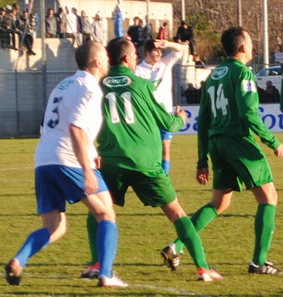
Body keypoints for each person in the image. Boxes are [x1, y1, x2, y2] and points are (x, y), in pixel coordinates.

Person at [90, 36, 222, 283]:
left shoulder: (97, 85)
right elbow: (167, 122)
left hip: (110, 160)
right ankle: (203, 269)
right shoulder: (141, 84)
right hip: (145, 162)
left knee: (98, 211)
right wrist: (181, 118)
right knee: (177, 214)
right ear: (128, 58)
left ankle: (95, 263)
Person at [4, 41, 125, 289]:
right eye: (105, 56)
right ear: (96, 61)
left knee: (55, 227)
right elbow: (75, 129)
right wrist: (88, 170)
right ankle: (106, 274)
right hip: (69, 160)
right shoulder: (90, 88)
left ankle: (18, 261)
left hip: (44, 160)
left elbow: (58, 124)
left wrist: (91, 151)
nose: (108, 60)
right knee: (105, 213)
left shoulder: (64, 84)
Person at [179, 26, 283, 275]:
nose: (253, 46)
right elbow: (249, 113)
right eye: (250, 41)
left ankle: (176, 246)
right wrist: (273, 142)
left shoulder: (213, 76)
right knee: (269, 197)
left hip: (216, 143)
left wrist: (201, 159)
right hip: (237, 140)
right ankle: (259, 262)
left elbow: (203, 119)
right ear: (242, 47)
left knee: (219, 202)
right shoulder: (243, 74)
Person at [134, 37, 186, 173]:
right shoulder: (138, 70)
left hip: (165, 113)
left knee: (165, 147)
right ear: (147, 52)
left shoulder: (165, 63)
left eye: (160, 51)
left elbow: (180, 50)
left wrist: (167, 44)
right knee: (149, 147)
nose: (159, 54)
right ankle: (148, 174)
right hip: (148, 115)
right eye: (155, 51)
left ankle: (164, 177)